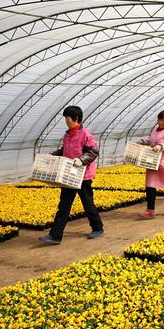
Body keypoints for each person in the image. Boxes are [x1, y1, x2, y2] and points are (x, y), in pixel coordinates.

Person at [39, 105, 104, 244]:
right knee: (64, 205)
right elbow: (64, 150)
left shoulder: (85, 134)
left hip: (83, 176)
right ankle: (55, 235)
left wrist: (81, 160)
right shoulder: (67, 135)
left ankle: (97, 228)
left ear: (76, 119)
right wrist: (52, 156)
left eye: (67, 119)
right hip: (69, 175)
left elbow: (94, 151)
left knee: (87, 203)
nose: (66, 121)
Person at [138, 110, 164, 218]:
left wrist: (161, 146)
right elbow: (152, 140)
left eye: (163, 120)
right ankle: (150, 210)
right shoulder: (155, 130)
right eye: (159, 120)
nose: (160, 122)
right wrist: (143, 141)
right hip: (153, 161)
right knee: (150, 184)